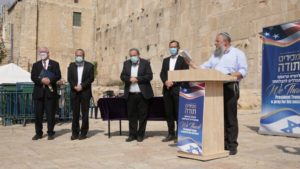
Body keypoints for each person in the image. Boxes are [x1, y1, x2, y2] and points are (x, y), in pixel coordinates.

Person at [189, 32, 248, 155]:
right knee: (218, 117)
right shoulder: (216, 53)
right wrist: (193, 65)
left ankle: (232, 145)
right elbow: (206, 66)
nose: (215, 43)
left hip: (230, 86)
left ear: (225, 42)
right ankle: (221, 143)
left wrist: (227, 75)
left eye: (217, 41)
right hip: (215, 87)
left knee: (230, 117)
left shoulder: (238, 53)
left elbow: (243, 70)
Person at [120, 48, 154, 142]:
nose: (133, 57)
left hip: (142, 94)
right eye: (131, 55)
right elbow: (122, 76)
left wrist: (137, 79)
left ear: (138, 54)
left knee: (143, 115)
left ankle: (140, 135)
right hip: (130, 94)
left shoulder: (145, 63)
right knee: (131, 116)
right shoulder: (126, 63)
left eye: (134, 55)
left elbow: (149, 76)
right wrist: (129, 79)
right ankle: (132, 135)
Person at [160, 40, 189, 142]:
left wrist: (174, 82)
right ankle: (170, 133)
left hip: (177, 89)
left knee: (178, 113)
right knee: (169, 113)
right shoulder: (165, 60)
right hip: (167, 89)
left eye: (174, 47)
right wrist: (166, 81)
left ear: (178, 48)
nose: (172, 48)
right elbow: (162, 73)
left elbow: (184, 74)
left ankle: (179, 134)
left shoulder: (183, 60)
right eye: (171, 47)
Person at [31, 47, 61, 140]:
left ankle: (50, 133)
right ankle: (38, 133)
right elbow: (33, 77)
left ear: (48, 53)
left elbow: (58, 75)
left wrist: (49, 80)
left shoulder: (55, 64)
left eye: (44, 52)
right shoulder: (36, 65)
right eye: (40, 52)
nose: (42, 53)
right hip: (38, 93)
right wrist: (42, 80)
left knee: (50, 114)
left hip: (50, 93)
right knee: (38, 114)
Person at [68, 49, 95, 140]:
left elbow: (91, 78)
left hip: (85, 92)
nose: (78, 57)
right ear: (75, 56)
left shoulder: (90, 66)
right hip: (74, 92)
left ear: (83, 55)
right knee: (75, 114)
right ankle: (74, 133)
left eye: (80, 55)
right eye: (77, 55)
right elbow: (70, 78)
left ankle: (83, 133)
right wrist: (75, 86)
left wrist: (82, 86)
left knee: (85, 114)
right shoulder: (71, 66)